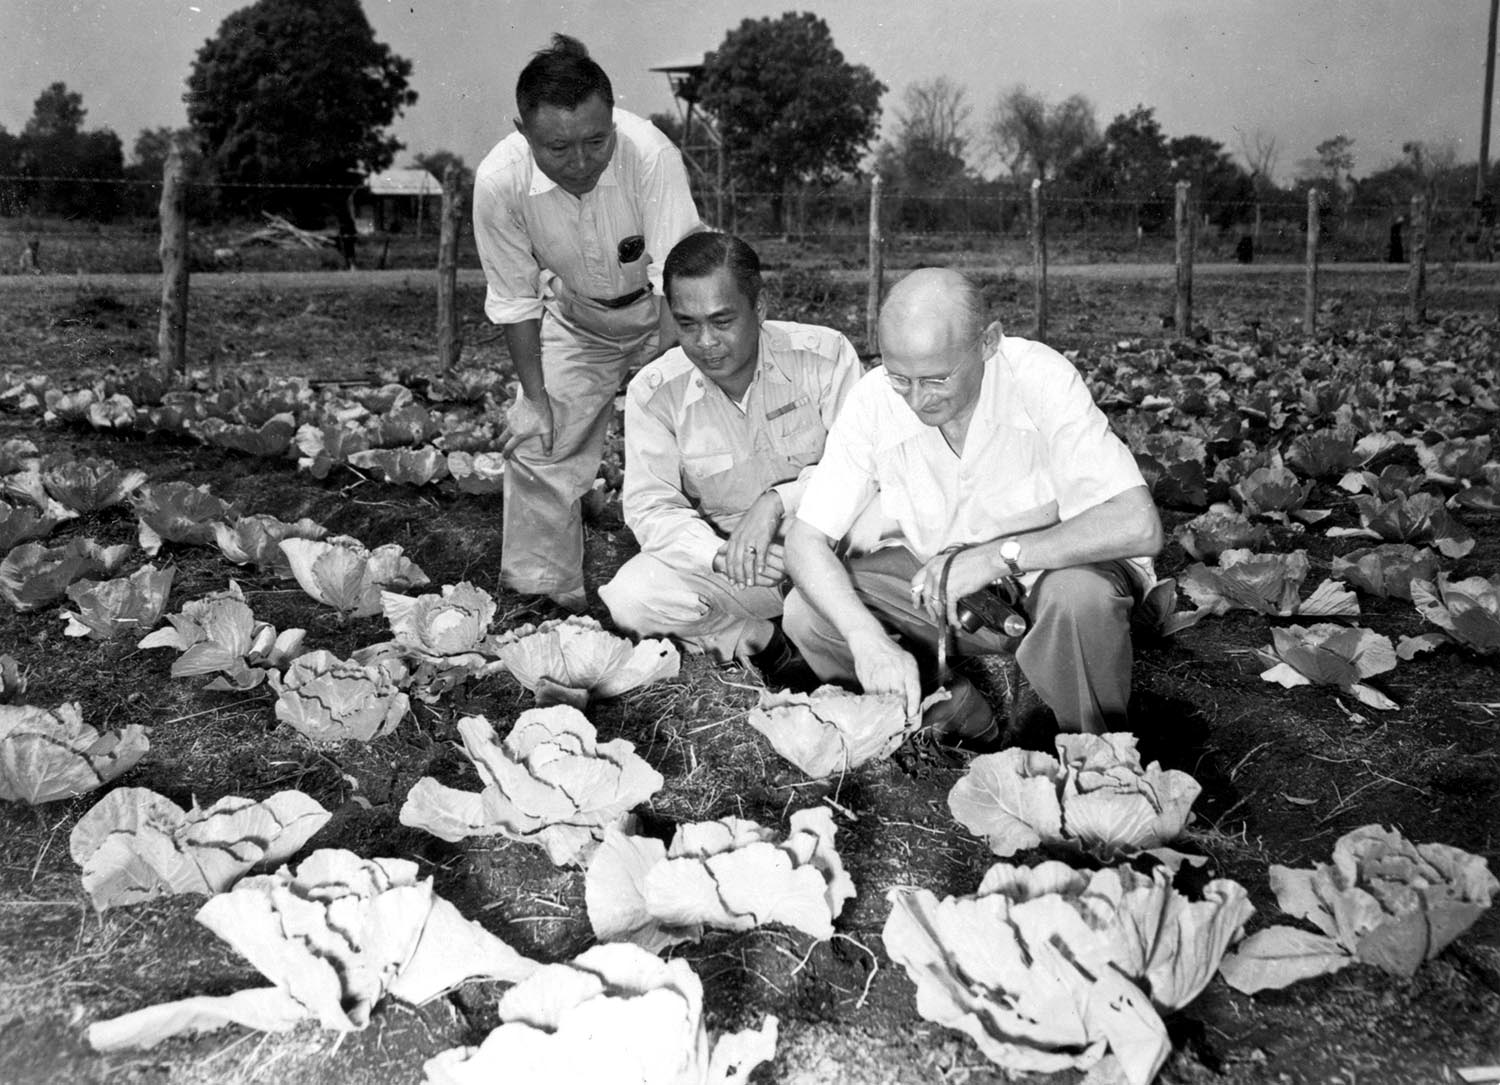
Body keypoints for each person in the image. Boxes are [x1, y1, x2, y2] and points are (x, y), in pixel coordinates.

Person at [783, 268, 1164, 747]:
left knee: (1078, 597)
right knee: (808, 611)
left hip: (1054, 584)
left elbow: (1138, 524)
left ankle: (1096, 755)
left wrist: (991, 557)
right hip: (948, 595)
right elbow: (805, 541)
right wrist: (867, 640)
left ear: (988, 342)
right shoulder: (874, 400)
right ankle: (952, 711)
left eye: (937, 379)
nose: (918, 400)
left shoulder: (1038, 378)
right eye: (901, 379)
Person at [472, 34, 702, 612]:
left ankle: (707, 583)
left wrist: (665, 380)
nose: (580, 162)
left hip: (665, 314)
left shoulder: (650, 154)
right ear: (522, 132)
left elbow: (677, 276)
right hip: (577, 320)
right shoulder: (499, 182)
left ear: (614, 121)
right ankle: (548, 600)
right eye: (557, 148)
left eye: (596, 142)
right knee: (539, 441)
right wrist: (533, 397)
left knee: (698, 439)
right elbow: (515, 297)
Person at [600, 232, 863, 686]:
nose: (705, 342)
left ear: (759, 308)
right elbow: (650, 508)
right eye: (686, 324)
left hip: (833, 551)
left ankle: (830, 633)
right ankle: (763, 643)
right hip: (740, 569)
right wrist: (721, 556)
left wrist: (777, 501)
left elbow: (863, 469)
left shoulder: (825, 357)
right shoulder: (655, 391)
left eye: (722, 321)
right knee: (631, 599)